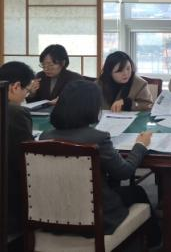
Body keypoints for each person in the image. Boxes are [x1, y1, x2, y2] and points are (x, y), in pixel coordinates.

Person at [40, 80, 161, 246]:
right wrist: (140, 145)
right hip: (98, 215)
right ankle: (155, 242)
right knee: (137, 191)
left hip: (55, 213)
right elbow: (124, 172)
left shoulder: (45, 137)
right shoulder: (97, 138)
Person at [0, 61, 35, 238]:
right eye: (26, 91)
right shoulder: (15, 112)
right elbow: (26, 161)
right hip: (10, 203)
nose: (25, 97)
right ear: (15, 87)